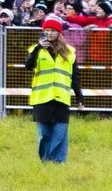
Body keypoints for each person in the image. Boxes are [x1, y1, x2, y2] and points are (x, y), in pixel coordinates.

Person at [26, 15, 85, 162]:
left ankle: (58, 162)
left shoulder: (70, 52)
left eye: (53, 30)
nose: (50, 33)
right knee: (44, 134)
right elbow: (28, 66)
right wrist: (38, 49)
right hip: (42, 98)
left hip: (61, 97)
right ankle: (45, 161)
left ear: (59, 32)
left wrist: (79, 96)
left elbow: (75, 76)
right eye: (47, 30)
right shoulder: (36, 49)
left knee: (60, 133)